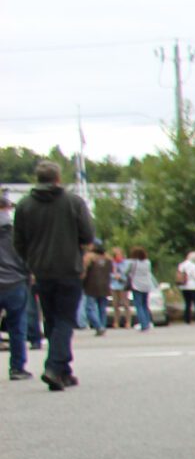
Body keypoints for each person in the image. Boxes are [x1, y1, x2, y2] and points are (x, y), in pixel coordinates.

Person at [14, 160, 95, 390]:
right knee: (65, 320)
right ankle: (54, 366)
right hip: (69, 268)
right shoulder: (73, 202)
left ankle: (63, 371)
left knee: (52, 320)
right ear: (58, 178)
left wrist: (30, 262)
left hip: (40, 271)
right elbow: (88, 234)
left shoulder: (24, 206)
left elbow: (18, 242)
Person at [0, 194, 31, 380]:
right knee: (17, 326)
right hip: (15, 282)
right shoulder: (17, 232)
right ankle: (17, 367)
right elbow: (26, 256)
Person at [80, 240, 112, 336]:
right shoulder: (108, 258)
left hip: (91, 285)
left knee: (89, 308)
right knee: (102, 308)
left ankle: (98, 326)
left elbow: (83, 272)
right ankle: (102, 325)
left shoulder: (89, 257)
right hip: (105, 285)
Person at [126, 248, 157, 331]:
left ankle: (143, 324)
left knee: (139, 305)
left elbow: (127, 271)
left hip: (137, 285)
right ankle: (148, 322)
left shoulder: (133, 262)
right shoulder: (148, 262)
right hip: (147, 285)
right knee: (145, 305)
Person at [177, 250, 195, 323]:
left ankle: (187, 319)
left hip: (184, 286)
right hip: (194, 287)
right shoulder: (194, 265)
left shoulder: (181, 265)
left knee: (187, 303)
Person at [109, 248, 133, 328]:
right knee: (115, 305)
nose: (118, 256)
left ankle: (128, 322)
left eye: (119, 254)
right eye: (116, 255)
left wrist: (119, 275)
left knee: (126, 304)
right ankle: (116, 322)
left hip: (123, 285)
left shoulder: (126, 263)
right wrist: (114, 275)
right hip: (114, 285)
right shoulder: (112, 263)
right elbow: (109, 273)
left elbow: (126, 272)